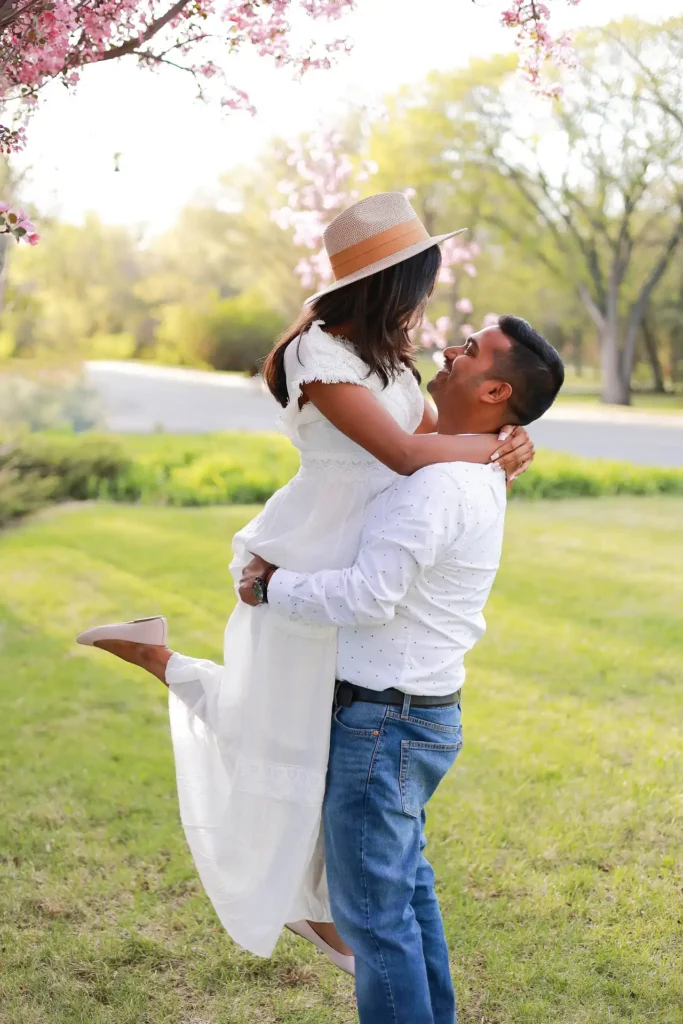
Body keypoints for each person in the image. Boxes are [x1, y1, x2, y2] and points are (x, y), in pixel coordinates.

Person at [75, 192, 535, 970]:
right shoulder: (314, 354)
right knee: (286, 735)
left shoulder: (388, 358)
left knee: (305, 732)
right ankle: (315, 910)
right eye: (421, 285)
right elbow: (400, 451)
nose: (427, 304)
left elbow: (433, 438)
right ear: (390, 285)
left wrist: (503, 440)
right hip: (309, 552)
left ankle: (161, 661)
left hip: (361, 553)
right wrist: (493, 450)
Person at [237, 316, 564, 1023]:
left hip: (385, 725)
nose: (449, 349)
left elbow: (366, 596)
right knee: (405, 899)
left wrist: (270, 585)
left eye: (469, 350)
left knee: (374, 924)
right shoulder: (466, 464)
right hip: (414, 718)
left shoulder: (439, 484)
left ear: (496, 389)